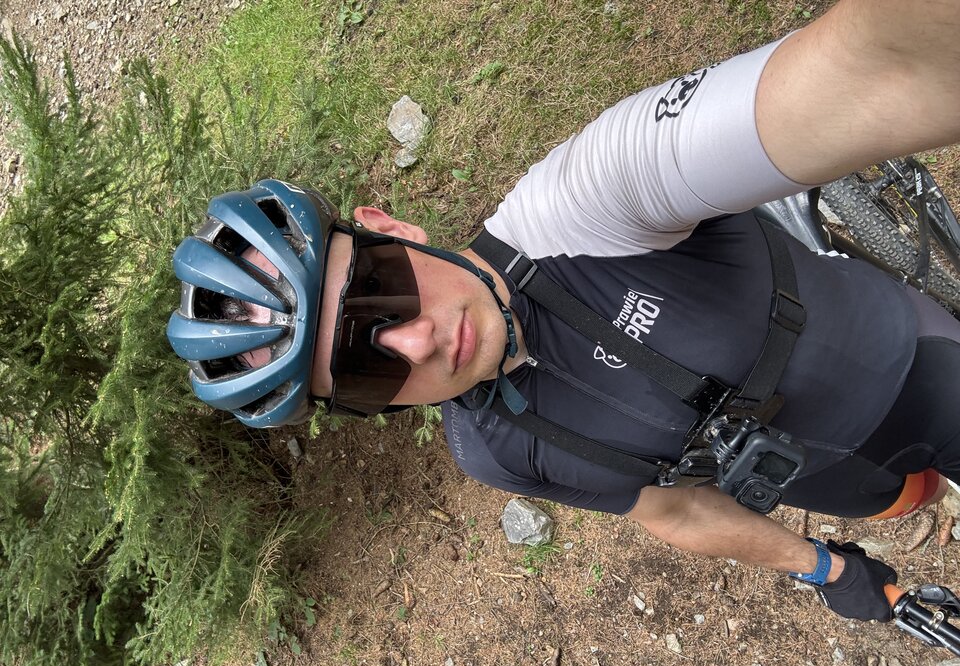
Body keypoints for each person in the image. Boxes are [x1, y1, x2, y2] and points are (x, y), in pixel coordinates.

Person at [167, 0, 960, 623]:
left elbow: (877, 70)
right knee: (905, 498)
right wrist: (824, 569)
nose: (417, 340)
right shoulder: (494, 449)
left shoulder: (583, 202)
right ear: (367, 410)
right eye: (366, 369)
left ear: (390, 229)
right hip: (821, 476)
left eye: (376, 290)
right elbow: (672, 507)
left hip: (914, 368)